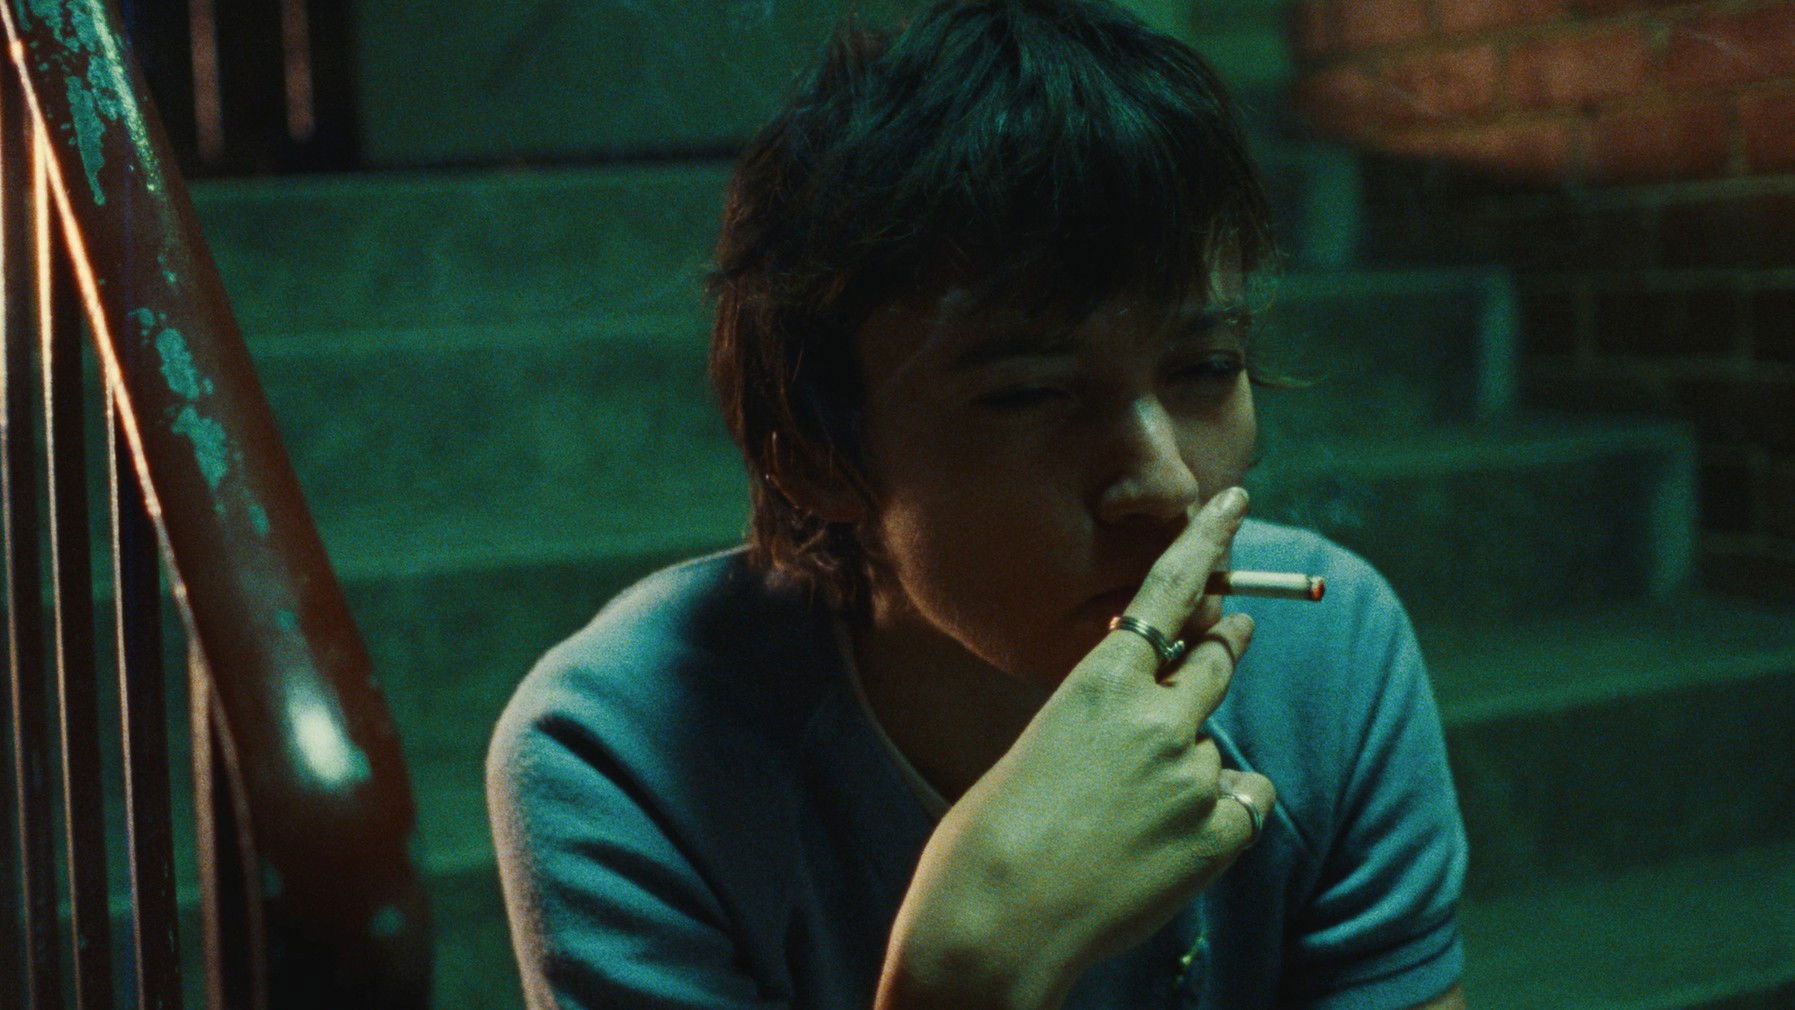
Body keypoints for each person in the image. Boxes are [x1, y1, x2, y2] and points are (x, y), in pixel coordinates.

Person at [486, 1, 1469, 1007]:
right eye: (1031, 394)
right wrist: (968, 967)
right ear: (814, 458)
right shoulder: (624, 757)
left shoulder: (1325, 657)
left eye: (1207, 367)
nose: (1168, 482)